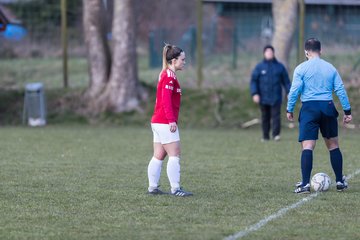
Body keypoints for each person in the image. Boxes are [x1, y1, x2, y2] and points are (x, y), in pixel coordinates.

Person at [286, 38, 352, 194]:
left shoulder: (301, 68)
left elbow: (295, 90)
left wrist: (290, 109)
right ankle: (340, 181)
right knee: (333, 145)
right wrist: (347, 111)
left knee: (308, 146)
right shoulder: (330, 68)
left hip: (309, 108)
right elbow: (340, 91)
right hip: (327, 107)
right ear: (320, 51)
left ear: (306, 52)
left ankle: (305, 184)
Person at [147, 44, 193, 197]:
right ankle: (176, 189)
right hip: (164, 122)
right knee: (175, 154)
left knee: (159, 155)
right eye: (182, 59)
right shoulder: (168, 76)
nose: (184, 62)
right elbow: (166, 101)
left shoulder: (166, 74)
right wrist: (171, 120)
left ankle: (153, 187)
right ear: (174, 61)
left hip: (158, 121)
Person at [250, 45, 291, 142]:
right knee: (265, 117)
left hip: (276, 97)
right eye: (267, 52)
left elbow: (286, 81)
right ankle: (265, 136)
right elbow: (254, 81)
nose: (269, 54)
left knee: (276, 116)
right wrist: (255, 93)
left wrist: (289, 92)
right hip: (263, 97)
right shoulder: (259, 67)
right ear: (264, 54)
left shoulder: (279, 67)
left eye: (271, 52)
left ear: (273, 53)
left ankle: (276, 135)